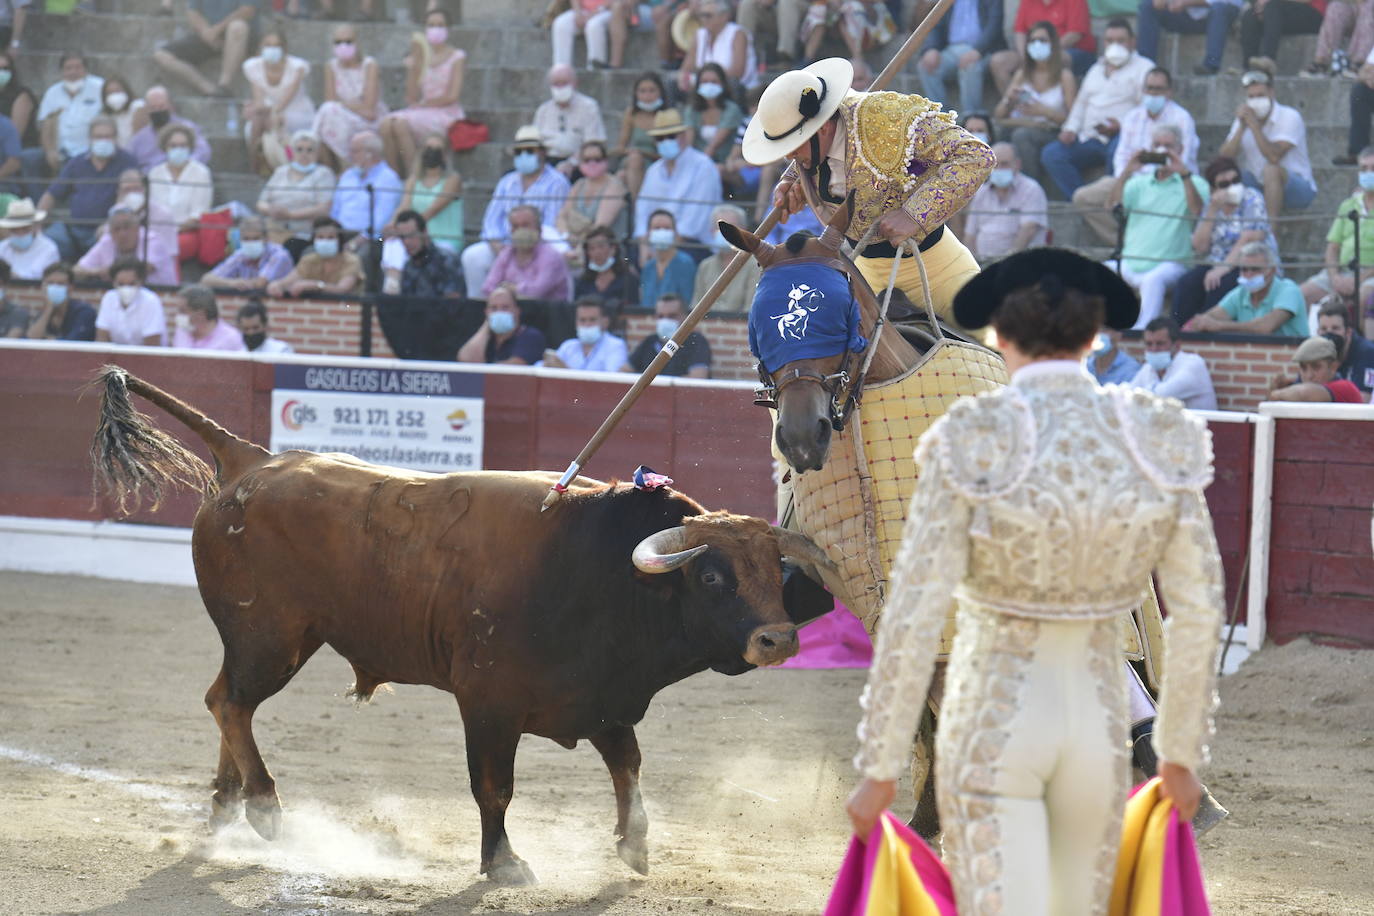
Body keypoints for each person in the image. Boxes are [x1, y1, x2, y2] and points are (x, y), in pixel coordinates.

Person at [846, 247, 1222, 915]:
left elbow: (912, 610)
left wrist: (879, 765)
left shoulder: (963, 439)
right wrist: (1180, 751)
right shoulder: (1158, 436)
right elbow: (1197, 615)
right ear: (1095, 337)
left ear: (1000, 337)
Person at [747, 58, 994, 334]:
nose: (789, 156)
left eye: (793, 147)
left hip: (938, 267)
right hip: (865, 273)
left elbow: (976, 155)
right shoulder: (812, 147)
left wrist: (916, 214)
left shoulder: (890, 117)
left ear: (823, 128)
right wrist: (794, 180)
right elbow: (812, 160)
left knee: (993, 346)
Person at [1072, 66, 1198, 244]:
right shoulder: (1132, 117)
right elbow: (1121, 156)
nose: (1153, 93)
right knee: (1083, 198)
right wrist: (1125, 180)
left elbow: (1182, 160)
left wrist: (1150, 183)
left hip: (1170, 183)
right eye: (1149, 88)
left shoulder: (1182, 118)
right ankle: (1126, 242)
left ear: (1169, 92)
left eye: (1158, 89)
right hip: (1134, 180)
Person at [1104, 123, 1208, 328]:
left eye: (1168, 146)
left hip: (1171, 264)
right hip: (1130, 262)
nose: (1162, 150)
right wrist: (1127, 171)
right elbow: (1111, 206)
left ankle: (1140, 332)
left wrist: (1184, 174)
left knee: (1153, 281)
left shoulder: (1195, 182)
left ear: (1180, 150)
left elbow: (1197, 211)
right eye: (1157, 145)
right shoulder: (1137, 183)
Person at [1039, 19, 1154, 200]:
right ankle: (1080, 200)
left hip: (1122, 136)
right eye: (1110, 40)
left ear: (1133, 42)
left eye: (1121, 40)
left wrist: (1122, 125)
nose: (1114, 45)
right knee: (1053, 154)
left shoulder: (1145, 68)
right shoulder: (1096, 69)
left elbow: (1146, 109)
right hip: (1089, 137)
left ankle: (1111, 201)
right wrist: (1070, 129)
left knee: (1118, 150)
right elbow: (1081, 104)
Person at [461, 126, 571, 298]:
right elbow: (491, 222)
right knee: (472, 256)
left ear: (542, 153)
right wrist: (503, 250)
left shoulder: (558, 183)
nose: (523, 155)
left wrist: (523, 248)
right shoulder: (507, 182)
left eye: (529, 150)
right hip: (504, 246)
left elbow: (550, 225)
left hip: (539, 248)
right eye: (519, 151)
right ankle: (479, 306)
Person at [1174, 156, 1275, 324]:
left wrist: (1222, 268)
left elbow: (1249, 238)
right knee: (1186, 284)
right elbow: (1199, 246)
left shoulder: (1252, 197)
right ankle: (1179, 333)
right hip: (1216, 262)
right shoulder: (1211, 203)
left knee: (1219, 285)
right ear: (1214, 188)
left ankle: (1206, 334)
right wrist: (1212, 211)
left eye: (1235, 180)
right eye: (1224, 184)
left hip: (1248, 262)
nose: (1232, 186)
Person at [1217, 63, 1317, 220]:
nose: (1256, 101)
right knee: (1223, 174)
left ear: (1272, 93)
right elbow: (1224, 157)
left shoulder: (1289, 116)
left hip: (1295, 189)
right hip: (1257, 185)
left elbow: (1274, 157)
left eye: (1260, 95)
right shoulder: (1244, 119)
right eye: (1251, 97)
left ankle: (1271, 233)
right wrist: (1241, 128)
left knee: (1271, 170)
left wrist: (1255, 127)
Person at [379, 9, 466, 178]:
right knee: (385, 124)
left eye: (440, 25)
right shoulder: (422, 56)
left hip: (446, 112)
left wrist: (425, 105)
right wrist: (414, 66)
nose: (436, 29)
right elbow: (411, 97)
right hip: (422, 111)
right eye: (431, 25)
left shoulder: (457, 56)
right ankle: (393, 177)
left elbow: (452, 95)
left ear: (448, 29)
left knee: (399, 123)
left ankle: (415, 177)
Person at [38, 117, 137, 261]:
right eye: (98, 137)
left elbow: (129, 197)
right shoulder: (77, 163)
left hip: (106, 228)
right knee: (50, 240)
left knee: (108, 241)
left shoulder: (127, 162)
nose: (103, 141)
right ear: (90, 139)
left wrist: (110, 224)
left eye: (108, 136)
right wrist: (37, 223)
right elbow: (52, 194)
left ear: (116, 138)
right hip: (73, 227)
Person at [992, 20, 1077, 185]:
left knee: (1021, 136)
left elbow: (1072, 120)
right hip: (1022, 124)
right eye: (1032, 41)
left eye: (1043, 40)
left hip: (1050, 130)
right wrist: (1010, 101)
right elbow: (999, 114)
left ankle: (1030, 188)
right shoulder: (1022, 74)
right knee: (997, 132)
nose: (1037, 44)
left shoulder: (1064, 76)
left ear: (1053, 44)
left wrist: (1042, 111)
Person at [635, 108, 723, 253]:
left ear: (683, 136)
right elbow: (642, 210)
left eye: (670, 136)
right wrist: (644, 244)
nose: (665, 141)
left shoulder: (703, 166)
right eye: (660, 138)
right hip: (654, 244)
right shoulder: (653, 171)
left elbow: (695, 218)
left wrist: (666, 251)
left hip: (693, 244)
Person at [1300, 148, 1374, 311]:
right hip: (1341, 272)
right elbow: (1332, 248)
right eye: (1363, 169)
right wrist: (1335, 277)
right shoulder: (1347, 205)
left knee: (1364, 298)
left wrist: (1359, 279)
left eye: (1373, 169)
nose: (1368, 173)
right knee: (1299, 296)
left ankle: (1356, 337)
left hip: (1369, 276)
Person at [1187, 241, 1310, 336]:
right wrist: (1202, 323)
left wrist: (1219, 326)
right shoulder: (1239, 293)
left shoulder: (1288, 290)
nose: (1249, 274)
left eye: (1255, 269)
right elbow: (1208, 318)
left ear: (1271, 271)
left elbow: (1265, 327)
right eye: (1244, 269)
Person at [311, 24, 387, 170]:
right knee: (328, 113)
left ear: (357, 43)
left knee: (329, 114)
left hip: (368, 120)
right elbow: (330, 101)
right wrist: (348, 106)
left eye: (348, 41)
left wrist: (343, 105)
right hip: (341, 116)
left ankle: (347, 168)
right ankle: (332, 170)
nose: (343, 46)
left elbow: (369, 109)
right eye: (338, 42)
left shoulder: (369, 65)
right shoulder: (331, 66)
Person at [242, 30, 316, 176]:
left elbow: (286, 100)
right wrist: (253, 108)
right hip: (269, 110)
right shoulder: (253, 66)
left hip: (297, 111)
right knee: (255, 121)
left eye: (276, 45)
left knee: (272, 121)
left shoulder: (297, 67)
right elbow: (259, 100)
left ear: (284, 49)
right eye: (268, 45)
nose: (272, 49)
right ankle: (259, 165)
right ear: (261, 48)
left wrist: (272, 111)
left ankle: (282, 164)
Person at [256, 129, 336, 262]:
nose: (304, 154)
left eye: (309, 150)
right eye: (299, 149)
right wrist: (271, 210)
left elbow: (324, 208)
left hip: (303, 232)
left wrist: (290, 215)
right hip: (274, 227)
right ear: (292, 152)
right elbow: (261, 202)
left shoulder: (323, 174)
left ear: (316, 153)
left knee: (289, 249)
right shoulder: (280, 172)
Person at [916, 0, 1004, 117]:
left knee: (970, 66)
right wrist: (931, 48)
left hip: (984, 50)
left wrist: (978, 50)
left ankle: (971, 116)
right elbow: (936, 25)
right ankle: (941, 116)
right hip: (952, 50)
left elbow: (995, 26)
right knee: (925, 65)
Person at [153, 0, 256, 98]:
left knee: (238, 26)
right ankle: (210, 90)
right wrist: (206, 32)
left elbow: (247, 10)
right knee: (162, 55)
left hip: (237, 37)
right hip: (207, 35)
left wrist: (216, 30)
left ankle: (225, 84)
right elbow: (192, 12)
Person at [963, 142, 1049, 261]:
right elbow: (970, 235)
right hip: (982, 264)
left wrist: (1007, 263)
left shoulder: (1031, 190)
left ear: (1017, 164)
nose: (998, 169)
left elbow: (1028, 230)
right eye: (995, 165)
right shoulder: (981, 192)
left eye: (1004, 164)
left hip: (1020, 263)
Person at [988, 0, 1096, 90]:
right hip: (1033, 49)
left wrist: (1047, 51)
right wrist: (1024, 55)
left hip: (1071, 51)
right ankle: (1014, 107)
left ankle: (1052, 108)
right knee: (998, 61)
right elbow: (1019, 31)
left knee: (1057, 58)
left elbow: (1075, 34)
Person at [148, 123, 214, 265]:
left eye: (183, 146)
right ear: (165, 148)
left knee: (165, 249)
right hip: (156, 233)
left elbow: (199, 213)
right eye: (173, 145)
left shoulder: (201, 173)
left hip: (187, 234)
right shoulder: (155, 173)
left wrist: (173, 230)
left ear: (190, 148)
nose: (178, 149)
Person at [482, 204, 573, 302]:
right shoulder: (507, 253)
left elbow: (537, 292)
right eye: (515, 226)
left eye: (525, 225)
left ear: (539, 229)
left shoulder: (551, 256)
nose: (520, 231)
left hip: (546, 312)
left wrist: (511, 289)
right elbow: (488, 287)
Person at [390, 134, 463, 255]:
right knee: (391, 247)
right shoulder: (413, 180)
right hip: (414, 237)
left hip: (444, 238)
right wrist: (392, 224)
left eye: (437, 150)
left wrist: (406, 230)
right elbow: (405, 207)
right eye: (428, 149)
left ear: (445, 155)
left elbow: (433, 209)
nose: (432, 153)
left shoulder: (453, 179)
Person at [75, 207, 179, 288]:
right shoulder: (107, 241)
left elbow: (143, 269)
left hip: (161, 296)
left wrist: (108, 272)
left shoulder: (152, 240)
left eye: (127, 227)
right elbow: (77, 271)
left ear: (138, 228)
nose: (122, 234)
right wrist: (97, 272)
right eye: (117, 229)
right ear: (110, 231)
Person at [331, 129, 403, 245]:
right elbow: (335, 209)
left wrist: (359, 240)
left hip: (370, 239)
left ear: (371, 153)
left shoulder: (388, 178)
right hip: (340, 234)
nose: (350, 155)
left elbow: (382, 218)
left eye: (354, 151)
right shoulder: (348, 175)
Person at [535, 64, 607, 177]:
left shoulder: (589, 107)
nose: (560, 87)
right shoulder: (543, 110)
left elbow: (593, 142)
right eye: (556, 84)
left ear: (575, 83)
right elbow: (536, 141)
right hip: (548, 161)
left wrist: (571, 163)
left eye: (564, 83)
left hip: (579, 161)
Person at [558, 140, 630, 254]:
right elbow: (562, 216)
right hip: (575, 246)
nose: (592, 164)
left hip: (609, 251)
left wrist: (578, 247)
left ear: (606, 161)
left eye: (597, 159)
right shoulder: (579, 184)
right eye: (587, 160)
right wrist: (566, 235)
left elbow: (600, 227)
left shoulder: (614, 186)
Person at [1137, 0, 1243, 77]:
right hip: (1187, 17)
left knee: (1219, 8)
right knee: (1147, 6)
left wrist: (1186, 2)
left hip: (1220, 18)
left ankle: (1211, 65)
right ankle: (1145, 65)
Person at [1130, 316, 1218, 409]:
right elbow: (1127, 395)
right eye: (1149, 344)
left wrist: (1137, 393)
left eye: (1160, 343)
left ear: (1177, 345)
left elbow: (1161, 395)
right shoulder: (1149, 367)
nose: (1154, 349)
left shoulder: (1193, 364)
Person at [265, 216, 364, 298]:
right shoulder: (309, 259)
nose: (325, 241)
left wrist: (315, 285)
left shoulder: (351, 260)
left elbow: (343, 289)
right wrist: (277, 285)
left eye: (330, 238)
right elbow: (289, 281)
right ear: (314, 240)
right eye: (320, 237)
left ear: (339, 240)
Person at [34, 53, 102, 171]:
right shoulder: (52, 93)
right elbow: (45, 126)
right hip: (61, 152)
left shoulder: (100, 87)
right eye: (68, 68)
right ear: (62, 72)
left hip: (90, 152)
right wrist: (50, 151)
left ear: (86, 70)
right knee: (29, 159)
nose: (73, 72)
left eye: (78, 67)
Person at [677, 0, 759, 97]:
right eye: (701, 15)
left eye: (708, 15)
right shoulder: (700, 34)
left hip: (735, 91)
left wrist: (709, 80)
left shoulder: (738, 34)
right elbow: (686, 68)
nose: (704, 19)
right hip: (704, 90)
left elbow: (737, 72)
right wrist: (683, 78)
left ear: (724, 16)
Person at [694, 203, 762, 313]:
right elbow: (695, 306)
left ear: (743, 231)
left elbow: (750, 310)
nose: (724, 232)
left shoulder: (755, 265)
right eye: (719, 228)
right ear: (712, 232)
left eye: (729, 227)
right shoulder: (705, 266)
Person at [457, 282, 548, 365]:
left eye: (505, 307)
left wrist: (483, 368)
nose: (499, 312)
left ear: (517, 311)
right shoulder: (485, 337)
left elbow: (515, 366)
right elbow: (466, 360)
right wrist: (486, 326)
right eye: (494, 308)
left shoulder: (530, 336)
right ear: (486, 312)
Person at [625, 291, 712, 376]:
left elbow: (698, 377)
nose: (665, 320)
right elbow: (624, 372)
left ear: (685, 317)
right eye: (661, 316)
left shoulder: (696, 341)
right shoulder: (650, 341)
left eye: (672, 316)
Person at [612, 72, 672, 196]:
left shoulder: (668, 116)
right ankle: (636, 209)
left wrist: (643, 153)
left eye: (652, 91)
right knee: (632, 162)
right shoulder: (631, 113)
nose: (647, 96)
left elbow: (668, 153)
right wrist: (631, 152)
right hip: (633, 159)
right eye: (642, 91)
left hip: (656, 161)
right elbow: (621, 146)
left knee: (623, 175)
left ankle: (636, 209)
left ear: (660, 92)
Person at [126, 86, 212, 172]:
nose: (157, 110)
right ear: (147, 109)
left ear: (170, 105)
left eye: (161, 106)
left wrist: (184, 165)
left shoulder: (187, 128)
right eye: (153, 108)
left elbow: (203, 152)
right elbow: (130, 162)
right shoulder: (140, 138)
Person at [204, 215, 293, 292]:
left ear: (266, 238)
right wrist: (231, 283)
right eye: (246, 239)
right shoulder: (240, 255)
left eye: (256, 238)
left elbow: (260, 283)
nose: (250, 243)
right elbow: (206, 280)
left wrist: (240, 283)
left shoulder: (279, 255)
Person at [1268, 336, 1366, 402]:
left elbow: (1303, 393)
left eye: (1316, 367)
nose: (1309, 375)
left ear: (1333, 367)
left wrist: (1276, 393)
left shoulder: (1346, 388)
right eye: (1303, 367)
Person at [94, 257, 166, 347]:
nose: (126, 289)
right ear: (113, 282)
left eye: (131, 284)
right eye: (121, 284)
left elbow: (152, 346)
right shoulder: (109, 298)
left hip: (145, 358)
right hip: (115, 358)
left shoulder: (151, 301)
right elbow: (101, 339)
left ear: (140, 282)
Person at [684, 63, 744, 170]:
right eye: (705, 82)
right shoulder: (691, 110)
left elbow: (713, 146)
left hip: (725, 165)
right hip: (696, 163)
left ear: (722, 84)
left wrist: (698, 167)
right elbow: (688, 143)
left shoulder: (732, 110)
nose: (709, 85)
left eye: (714, 82)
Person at [544, 297, 630, 371]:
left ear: (605, 322)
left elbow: (612, 381)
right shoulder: (568, 346)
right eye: (582, 320)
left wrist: (565, 370)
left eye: (592, 320)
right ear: (576, 323)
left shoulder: (616, 346)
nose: (587, 325)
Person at [1240, 0, 1324, 72]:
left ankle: (1268, 58)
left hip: (1314, 13)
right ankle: (1248, 68)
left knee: (1272, 6)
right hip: (1283, 12)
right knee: (1250, 15)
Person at [24, 261, 96, 341]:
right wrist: (48, 311)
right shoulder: (42, 314)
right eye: (50, 283)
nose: (55, 287)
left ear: (71, 288)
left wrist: (48, 340)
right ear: (43, 287)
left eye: (60, 284)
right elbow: (30, 341)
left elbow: (72, 343)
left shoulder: (84, 312)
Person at [1313, 299, 1374, 393]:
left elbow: (1363, 399)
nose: (1329, 334)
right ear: (1317, 332)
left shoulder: (1367, 353)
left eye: (1335, 328)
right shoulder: (1314, 351)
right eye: (1324, 329)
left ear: (1348, 332)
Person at [549, 0, 631, 69]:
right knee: (560, 24)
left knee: (593, 26)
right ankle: (561, 70)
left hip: (609, 11)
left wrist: (593, 14)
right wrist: (578, 13)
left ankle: (595, 68)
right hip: (584, 10)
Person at [640, 208, 697, 305]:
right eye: (657, 228)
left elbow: (686, 301)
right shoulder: (648, 267)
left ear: (675, 233)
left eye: (667, 228)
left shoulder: (685, 263)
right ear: (648, 234)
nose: (662, 232)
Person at [574, 224, 639, 309]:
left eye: (601, 246)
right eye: (592, 248)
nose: (597, 252)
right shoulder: (582, 282)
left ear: (613, 249)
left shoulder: (628, 280)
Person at [1305, 0, 1374, 77]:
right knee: (1335, 7)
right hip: (1353, 8)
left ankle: (1359, 62)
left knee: (1369, 5)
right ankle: (1322, 62)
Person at [171, 284, 246, 351]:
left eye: (183, 311)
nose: (178, 315)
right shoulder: (181, 331)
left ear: (200, 314)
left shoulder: (230, 338)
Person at [0, 196, 58, 279]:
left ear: (35, 226)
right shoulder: (2, 248)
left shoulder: (49, 249)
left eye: (25, 229)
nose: (20, 233)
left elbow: (40, 278)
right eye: (15, 229)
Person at [737, 0, 807, 66]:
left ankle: (785, 57)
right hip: (773, 12)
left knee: (786, 2)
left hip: (802, 11)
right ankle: (742, 55)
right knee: (747, 3)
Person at [99, 75, 143, 148]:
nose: (114, 96)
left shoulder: (137, 106)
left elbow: (140, 135)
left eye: (118, 91)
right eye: (110, 93)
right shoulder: (105, 115)